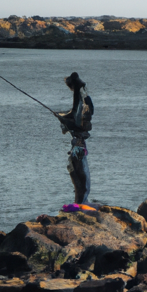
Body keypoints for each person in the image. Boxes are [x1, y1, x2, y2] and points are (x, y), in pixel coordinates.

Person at [57, 72, 94, 204]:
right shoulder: (82, 94)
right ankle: (81, 201)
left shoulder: (81, 97)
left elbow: (75, 116)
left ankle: (80, 202)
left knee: (82, 182)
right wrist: (61, 116)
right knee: (81, 181)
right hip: (78, 147)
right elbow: (73, 113)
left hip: (78, 149)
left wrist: (62, 118)